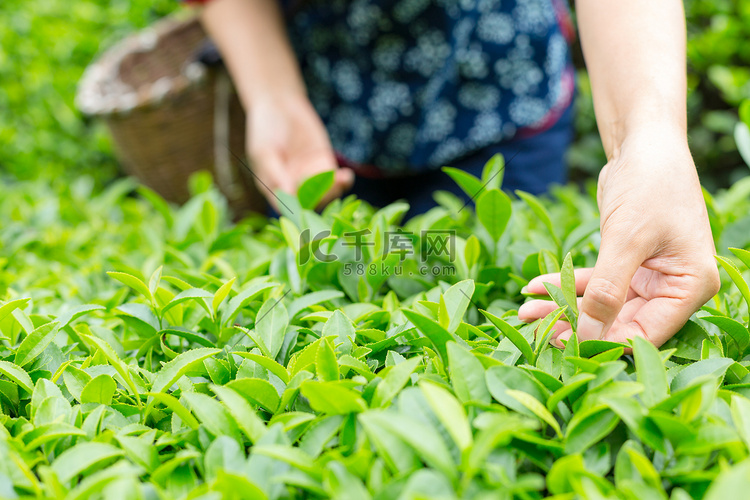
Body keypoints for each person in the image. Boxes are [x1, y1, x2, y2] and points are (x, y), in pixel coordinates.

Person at [192, 0, 720, 348]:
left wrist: (650, 138)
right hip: (325, 110)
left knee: (492, 296)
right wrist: (271, 93)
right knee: (328, 278)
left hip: (498, 92)